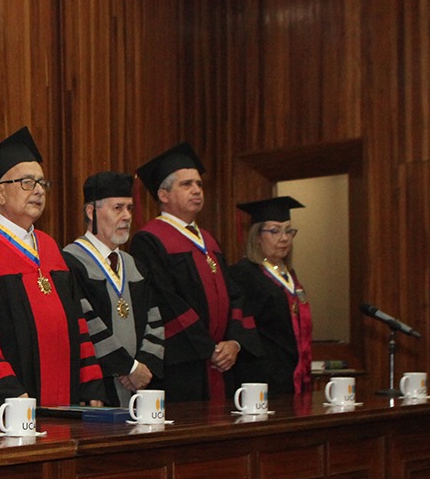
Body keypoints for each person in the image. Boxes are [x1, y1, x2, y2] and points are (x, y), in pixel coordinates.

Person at [0, 127, 107, 416]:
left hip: (66, 401)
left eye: (42, 183)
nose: (39, 190)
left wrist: (90, 384)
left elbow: (78, 322)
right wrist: (9, 393)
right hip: (8, 409)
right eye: (27, 182)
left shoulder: (51, 248)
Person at [127, 142, 257, 404]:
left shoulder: (209, 240)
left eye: (199, 184)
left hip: (222, 363)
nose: (197, 190)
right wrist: (209, 348)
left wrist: (234, 342)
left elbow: (235, 294)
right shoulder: (150, 239)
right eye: (186, 184)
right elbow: (164, 301)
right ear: (163, 195)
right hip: (181, 367)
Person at [63, 171, 166, 408]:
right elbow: (85, 324)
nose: (127, 216)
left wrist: (143, 367)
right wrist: (128, 367)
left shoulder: (135, 266)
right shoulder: (70, 262)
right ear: (92, 212)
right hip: (97, 388)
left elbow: (155, 321)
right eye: (118, 208)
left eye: (129, 208)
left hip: (139, 389)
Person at [227, 196, 313, 396]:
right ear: (257, 236)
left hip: (293, 373)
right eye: (275, 231)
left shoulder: (289, 274)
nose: (284, 238)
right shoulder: (243, 274)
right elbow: (242, 330)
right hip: (263, 379)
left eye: (289, 231)